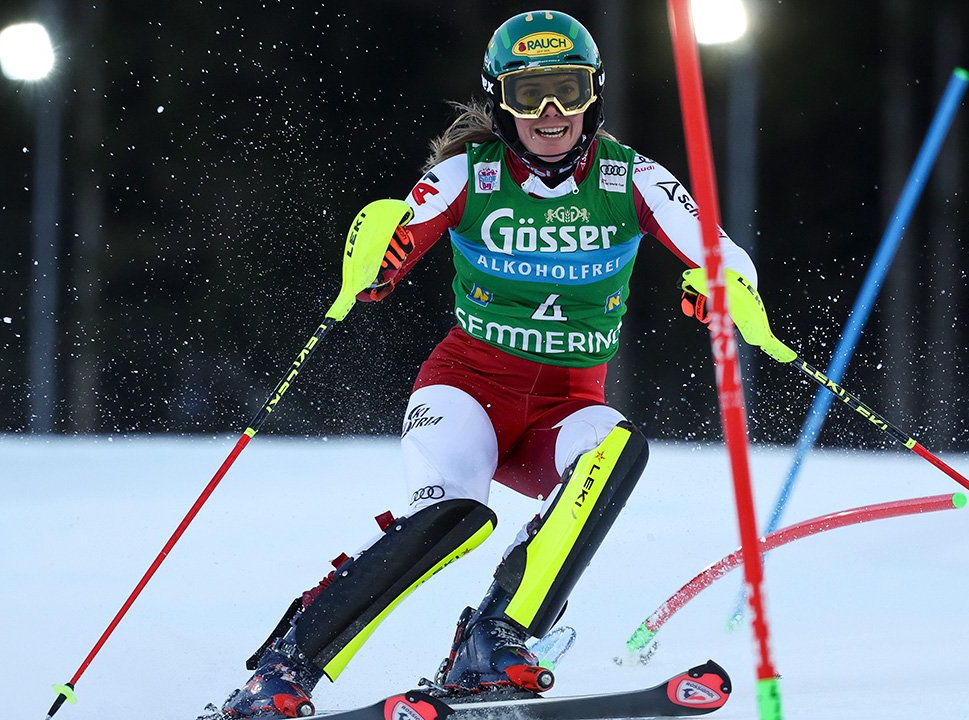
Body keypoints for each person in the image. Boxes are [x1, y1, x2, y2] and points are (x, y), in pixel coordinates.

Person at [214, 10, 794, 718]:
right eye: (529, 95)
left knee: (618, 450)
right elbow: (391, 239)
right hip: (468, 389)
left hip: (566, 406)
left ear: (595, 95)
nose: (551, 113)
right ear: (499, 104)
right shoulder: (468, 174)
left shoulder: (631, 177)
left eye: (569, 90)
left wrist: (725, 287)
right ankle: (285, 668)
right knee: (457, 513)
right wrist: (376, 265)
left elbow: (720, 252)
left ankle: (496, 637)